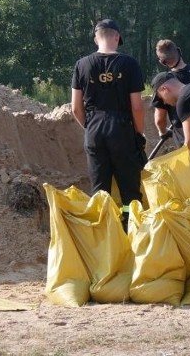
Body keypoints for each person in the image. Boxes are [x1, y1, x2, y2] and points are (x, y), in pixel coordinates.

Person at [71, 19, 145, 226]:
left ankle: (103, 232)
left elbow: (76, 108)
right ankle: (130, 228)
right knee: (129, 188)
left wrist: (91, 127)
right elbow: (137, 107)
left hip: (94, 127)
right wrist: (139, 134)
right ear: (117, 37)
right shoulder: (129, 64)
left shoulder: (82, 64)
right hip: (121, 127)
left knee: (100, 188)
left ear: (96, 39)